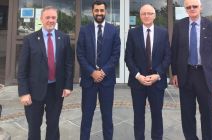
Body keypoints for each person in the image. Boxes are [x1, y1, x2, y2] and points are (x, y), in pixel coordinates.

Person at [18, 6, 73, 140]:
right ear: (41, 19)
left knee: (53, 125)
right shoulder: (30, 39)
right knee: (34, 126)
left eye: (53, 17)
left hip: (56, 89)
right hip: (34, 91)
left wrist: (67, 85)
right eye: (47, 17)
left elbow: (68, 64)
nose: (50, 20)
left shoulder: (64, 38)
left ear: (56, 19)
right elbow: (22, 68)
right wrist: (24, 92)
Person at [171, 0, 212, 139]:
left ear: (201, 7)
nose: (192, 8)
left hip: (204, 75)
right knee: (187, 114)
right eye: (188, 7)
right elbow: (174, 51)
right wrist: (174, 73)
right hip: (185, 74)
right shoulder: (179, 26)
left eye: (194, 6)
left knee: (206, 113)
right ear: (185, 9)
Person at [125, 4, 171, 140]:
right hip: (138, 82)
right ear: (140, 16)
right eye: (144, 13)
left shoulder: (163, 33)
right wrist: (138, 76)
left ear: (154, 15)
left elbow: (167, 56)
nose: (146, 16)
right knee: (138, 116)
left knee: (157, 115)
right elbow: (128, 57)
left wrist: (158, 74)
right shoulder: (133, 33)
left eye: (149, 13)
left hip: (157, 82)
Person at [76, 1, 121, 140]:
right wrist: (92, 72)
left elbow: (116, 54)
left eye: (102, 10)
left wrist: (102, 72)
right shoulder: (84, 30)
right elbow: (80, 54)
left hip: (106, 80)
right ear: (92, 11)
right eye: (97, 10)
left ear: (106, 11)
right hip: (89, 80)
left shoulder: (113, 30)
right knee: (87, 116)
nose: (99, 13)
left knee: (107, 116)